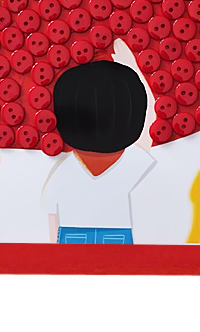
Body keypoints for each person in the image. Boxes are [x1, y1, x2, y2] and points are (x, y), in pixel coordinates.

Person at [42, 60, 155, 244]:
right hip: (120, 239)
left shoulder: (62, 170)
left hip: (71, 239)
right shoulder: (140, 164)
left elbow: (51, 219)